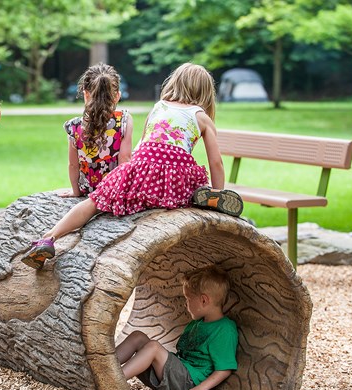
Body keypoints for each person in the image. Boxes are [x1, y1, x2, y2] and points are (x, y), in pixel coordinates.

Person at [21, 62, 242, 269]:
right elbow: (216, 162)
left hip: (142, 167)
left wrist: (130, 178)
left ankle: (49, 238)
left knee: (94, 202)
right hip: (175, 177)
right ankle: (208, 198)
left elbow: (145, 144)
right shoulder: (201, 117)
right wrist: (218, 191)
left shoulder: (159, 107)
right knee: (191, 184)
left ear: (174, 83)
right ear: (205, 92)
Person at [115, 265, 238, 390]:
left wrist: (200, 389)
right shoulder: (196, 323)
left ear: (204, 300)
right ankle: (105, 369)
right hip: (176, 375)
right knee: (138, 336)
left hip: (188, 382)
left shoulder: (224, 329)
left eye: (188, 299)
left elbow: (224, 369)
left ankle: (113, 383)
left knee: (154, 347)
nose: (186, 304)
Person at [59, 63, 133, 198]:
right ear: (117, 96)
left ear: (86, 94)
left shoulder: (74, 126)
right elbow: (125, 159)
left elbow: (73, 165)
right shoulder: (124, 120)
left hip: (88, 188)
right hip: (113, 188)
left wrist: (76, 192)